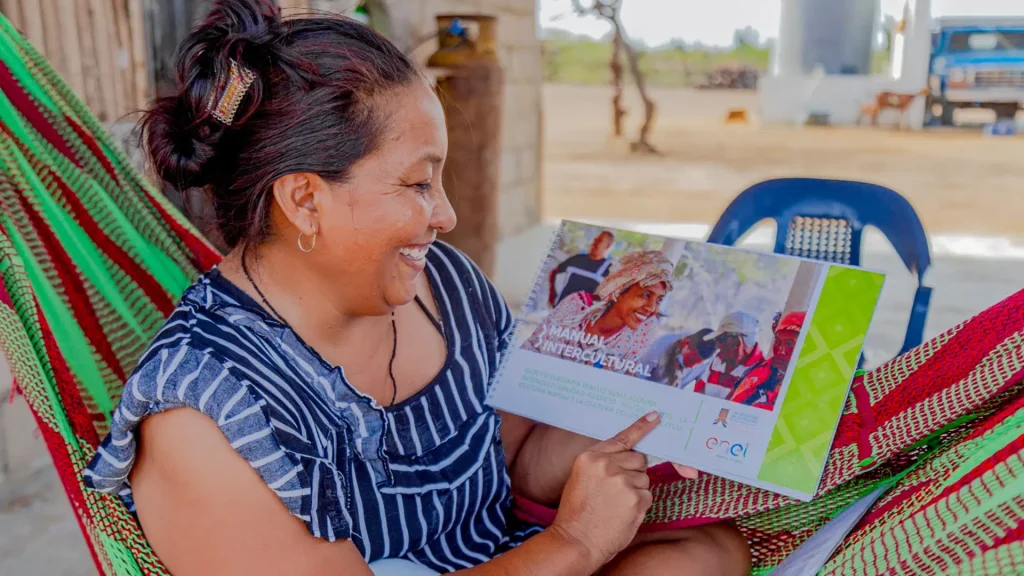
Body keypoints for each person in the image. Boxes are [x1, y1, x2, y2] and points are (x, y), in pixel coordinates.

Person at [82, 3, 751, 576]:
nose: (446, 216)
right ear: (305, 201)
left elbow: (513, 461)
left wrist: (640, 432)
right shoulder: (205, 418)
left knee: (711, 551)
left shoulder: (445, 287)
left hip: (510, 554)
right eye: (417, 183)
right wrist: (574, 543)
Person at [526, 251, 673, 375]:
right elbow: (533, 349)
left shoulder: (646, 329)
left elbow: (622, 381)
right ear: (619, 289)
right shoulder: (577, 306)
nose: (652, 308)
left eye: (659, 299)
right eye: (645, 295)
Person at [730, 312, 805, 410]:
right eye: (777, 342)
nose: (781, 351)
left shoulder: (811, 383)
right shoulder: (761, 369)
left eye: (789, 344)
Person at [694, 312, 769, 401]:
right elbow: (697, 395)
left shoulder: (764, 373)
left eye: (721, 339)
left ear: (739, 341)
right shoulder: (717, 360)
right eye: (717, 339)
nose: (718, 345)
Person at [547, 231, 614, 307]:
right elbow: (555, 271)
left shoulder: (609, 270)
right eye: (595, 239)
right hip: (560, 309)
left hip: (583, 316)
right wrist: (552, 295)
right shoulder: (577, 259)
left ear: (608, 246)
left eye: (599, 240)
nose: (594, 242)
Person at [640, 328, 716, 388]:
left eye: (698, 363)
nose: (692, 366)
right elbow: (637, 376)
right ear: (686, 342)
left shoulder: (708, 363)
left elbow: (702, 392)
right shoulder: (660, 345)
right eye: (692, 359)